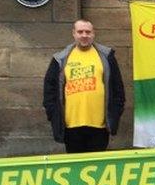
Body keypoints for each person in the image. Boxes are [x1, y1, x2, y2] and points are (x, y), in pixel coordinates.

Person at [43, 19, 126, 153]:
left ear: (93, 34)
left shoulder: (106, 56)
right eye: (80, 32)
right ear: (73, 34)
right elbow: (49, 91)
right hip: (71, 126)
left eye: (88, 32)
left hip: (100, 126)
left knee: (97, 168)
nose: (84, 35)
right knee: (75, 168)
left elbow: (118, 89)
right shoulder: (60, 59)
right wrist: (53, 115)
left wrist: (115, 114)